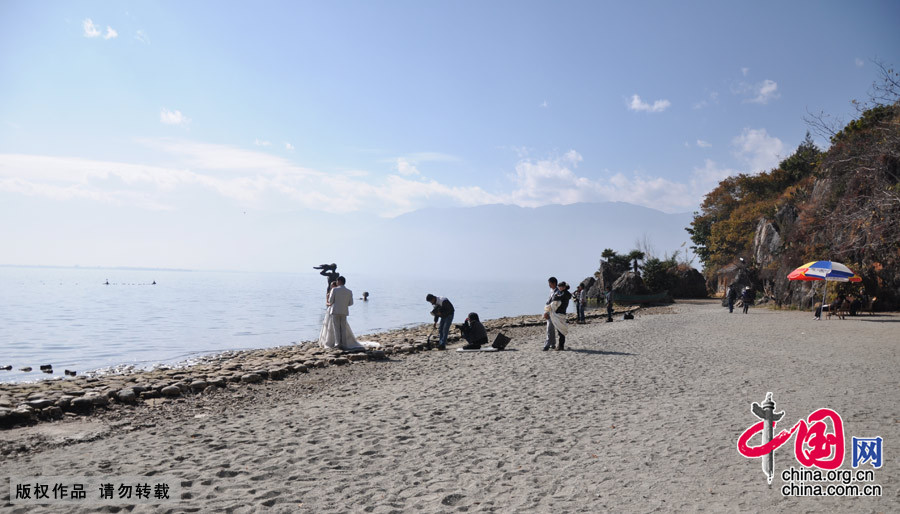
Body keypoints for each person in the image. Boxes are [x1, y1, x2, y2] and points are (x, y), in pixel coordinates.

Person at [318, 276, 365, 351]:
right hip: (344, 311)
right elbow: (351, 303)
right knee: (343, 328)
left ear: (339, 281)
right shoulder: (349, 291)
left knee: (336, 327)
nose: (336, 282)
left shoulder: (334, 290)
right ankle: (344, 343)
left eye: (337, 281)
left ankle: (337, 343)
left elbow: (330, 301)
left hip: (335, 311)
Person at [543, 277, 571, 351]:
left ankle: (551, 345)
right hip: (559, 313)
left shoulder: (560, 293)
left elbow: (554, 302)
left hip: (557, 313)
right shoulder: (561, 293)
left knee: (557, 330)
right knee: (557, 330)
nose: (549, 285)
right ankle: (553, 344)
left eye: (550, 283)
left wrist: (547, 311)